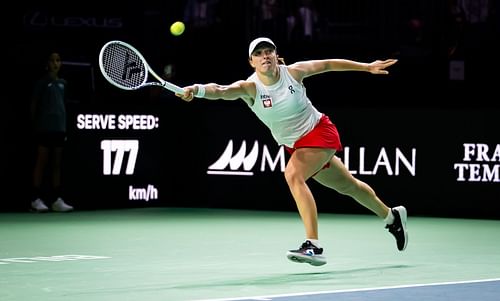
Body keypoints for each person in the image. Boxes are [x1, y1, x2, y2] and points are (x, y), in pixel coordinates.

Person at [176, 37, 407, 266]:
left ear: (276, 55)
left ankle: (313, 246)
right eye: (259, 53)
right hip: (297, 145)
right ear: (252, 62)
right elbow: (220, 90)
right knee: (349, 186)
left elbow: (327, 64)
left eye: (269, 51)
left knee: (293, 176)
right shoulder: (250, 87)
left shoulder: (294, 73)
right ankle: (392, 216)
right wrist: (196, 90)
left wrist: (365, 67)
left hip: (319, 132)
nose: (265, 56)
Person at [29, 51, 74, 213]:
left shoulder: (63, 83)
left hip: (59, 128)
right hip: (43, 128)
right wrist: (35, 126)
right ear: (47, 63)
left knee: (56, 164)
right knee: (41, 162)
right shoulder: (41, 83)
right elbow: (34, 105)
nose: (56, 63)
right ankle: (35, 199)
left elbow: (64, 106)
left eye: (58, 60)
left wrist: (65, 126)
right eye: (52, 60)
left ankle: (56, 200)